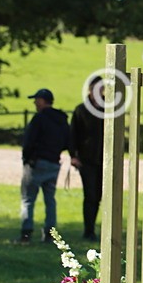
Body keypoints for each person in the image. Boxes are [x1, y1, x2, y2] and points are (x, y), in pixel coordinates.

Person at [17, 88, 70, 244]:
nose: (34, 102)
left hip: (36, 163)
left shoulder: (39, 119)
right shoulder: (61, 119)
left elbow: (29, 141)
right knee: (50, 200)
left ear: (42, 101)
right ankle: (50, 234)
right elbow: (68, 141)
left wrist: (27, 158)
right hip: (54, 163)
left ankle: (26, 234)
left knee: (28, 199)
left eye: (36, 99)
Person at [70, 79, 105, 240]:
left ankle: (95, 228)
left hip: (105, 160)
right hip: (87, 159)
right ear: (90, 90)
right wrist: (73, 156)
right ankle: (88, 230)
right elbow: (73, 135)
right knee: (90, 195)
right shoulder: (81, 110)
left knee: (98, 195)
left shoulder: (109, 109)